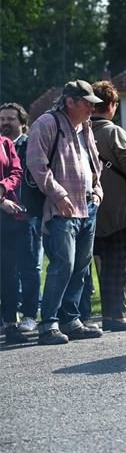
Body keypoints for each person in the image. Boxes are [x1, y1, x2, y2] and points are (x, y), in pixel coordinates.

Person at [26, 79, 105, 344]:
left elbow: (94, 162)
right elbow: (37, 165)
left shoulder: (86, 126)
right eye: (87, 103)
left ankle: (70, 320)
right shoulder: (47, 123)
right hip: (61, 210)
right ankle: (48, 324)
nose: (92, 109)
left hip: (87, 206)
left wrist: (97, 190)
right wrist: (58, 195)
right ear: (69, 101)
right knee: (64, 265)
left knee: (81, 267)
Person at [90, 81, 126, 331]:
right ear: (112, 105)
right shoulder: (113, 131)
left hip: (93, 208)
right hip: (119, 209)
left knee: (101, 265)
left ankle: (107, 315)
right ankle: (118, 316)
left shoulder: (81, 130)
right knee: (120, 264)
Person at [0, 102, 41, 334]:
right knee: (6, 269)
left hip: (27, 214)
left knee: (30, 266)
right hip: (3, 216)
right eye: (2, 118)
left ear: (23, 124)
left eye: (10, 119)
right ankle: (8, 316)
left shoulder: (30, 145)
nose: (5, 122)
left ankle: (29, 314)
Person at [0, 131, 25, 344]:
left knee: (9, 273)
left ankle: (10, 323)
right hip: (3, 206)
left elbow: (17, 172)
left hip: (7, 219)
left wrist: (3, 187)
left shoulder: (5, 143)